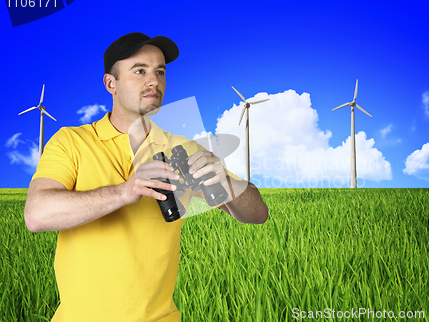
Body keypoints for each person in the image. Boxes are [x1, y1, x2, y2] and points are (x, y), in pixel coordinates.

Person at [24, 32, 268, 322]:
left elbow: (257, 214)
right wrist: (124, 192)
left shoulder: (182, 149)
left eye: (160, 71)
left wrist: (228, 183)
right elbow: (36, 215)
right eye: (140, 70)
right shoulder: (72, 141)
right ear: (110, 83)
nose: (154, 81)